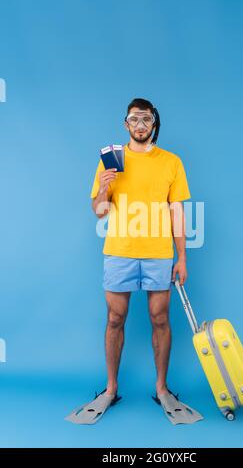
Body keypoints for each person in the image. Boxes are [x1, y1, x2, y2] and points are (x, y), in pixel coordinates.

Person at [65, 98, 203, 425]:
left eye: (146, 118)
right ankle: (111, 389)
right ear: (125, 124)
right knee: (115, 318)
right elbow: (99, 211)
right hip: (119, 251)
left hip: (158, 253)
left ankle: (162, 388)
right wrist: (102, 190)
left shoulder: (171, 162)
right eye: (133, 119)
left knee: (159, 318)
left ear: (154, 123)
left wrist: (182, 257)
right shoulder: (111, 159)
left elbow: (177, 212)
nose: (140, 124)